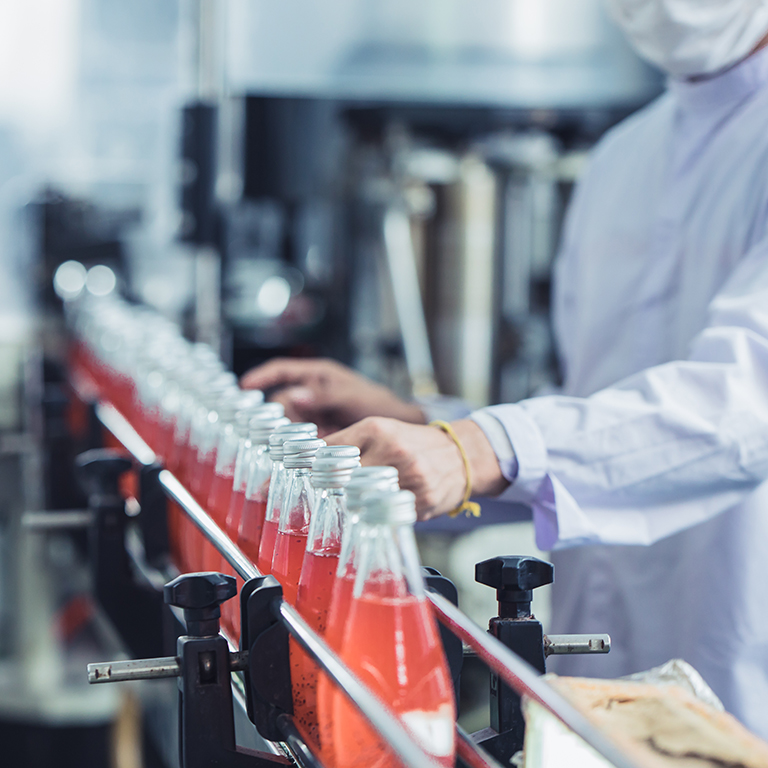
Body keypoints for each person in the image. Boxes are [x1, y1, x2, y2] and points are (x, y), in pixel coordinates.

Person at [243, 0, 768, 737]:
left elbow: (742, 408)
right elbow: (595, 424)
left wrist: (479, 448)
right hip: (597, 688)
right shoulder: (623, 158)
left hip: (745, 681)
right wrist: (426, 432)